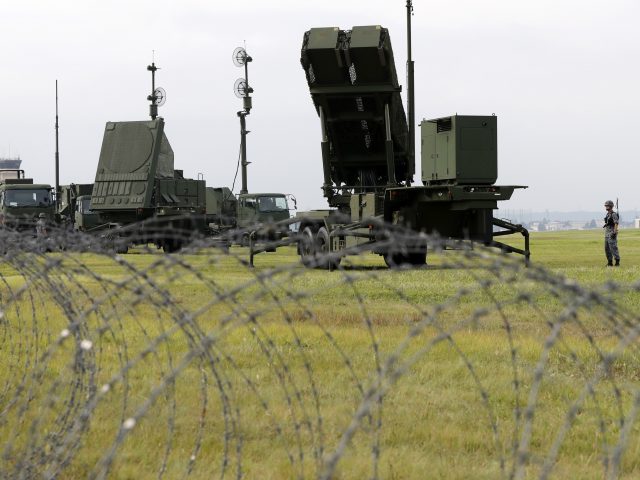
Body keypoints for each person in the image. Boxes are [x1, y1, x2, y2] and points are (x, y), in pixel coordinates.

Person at [603, 200, 620, 267]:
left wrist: (614, 232)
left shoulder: (613, 214)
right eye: (606, 205)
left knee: (613, 248)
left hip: (612, 233)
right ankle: (610, 263)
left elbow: (616, 223)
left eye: (607, 205)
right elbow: (608, 222)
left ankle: (617, 262)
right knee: (607, 249)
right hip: (607, 234)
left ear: (611, 206)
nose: (606, 207)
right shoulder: (608, 214)